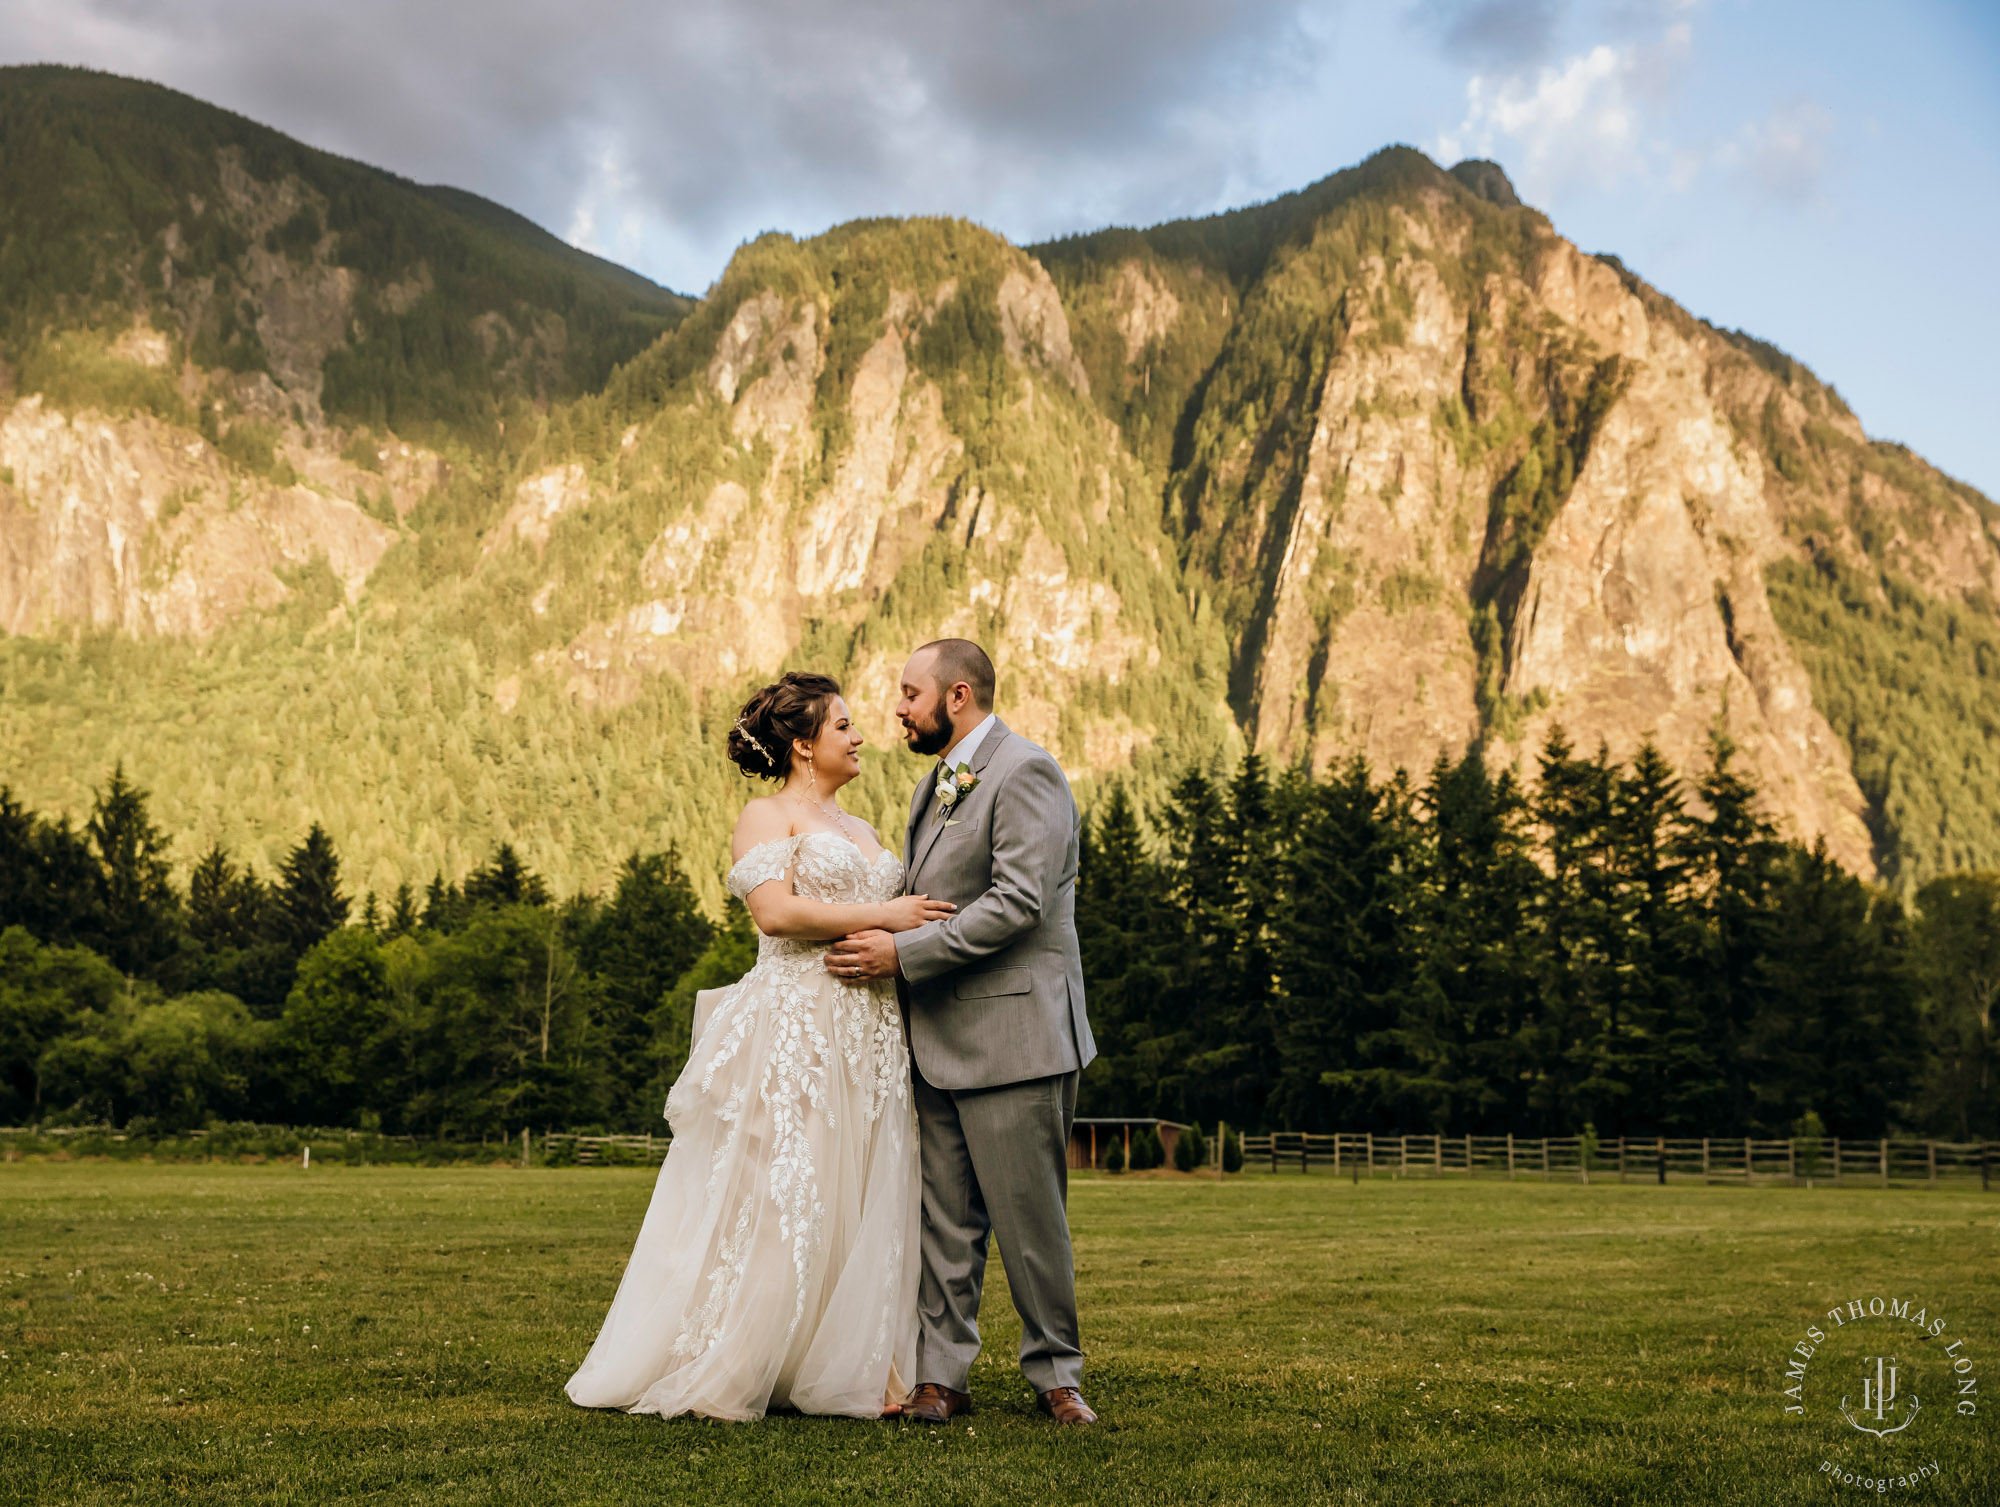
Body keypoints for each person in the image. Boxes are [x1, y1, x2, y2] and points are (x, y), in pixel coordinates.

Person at [564, 671, 953, 1421]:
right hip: (799, 1022)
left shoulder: (869, 832)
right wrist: (892, 913)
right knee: (789, 1187)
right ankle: (738, 1361)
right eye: (843, 725)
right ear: (805, 744)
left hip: (869, 1030)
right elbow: (774, 914)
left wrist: (901, 930)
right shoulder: (765, 815)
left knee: (865, 1183)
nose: (860, 735)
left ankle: (854, 1364)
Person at [826, 638, 1100, 1427]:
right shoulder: (933, 786)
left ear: (957, 697)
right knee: (946, 1221)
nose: (897, 708)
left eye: (909, 692)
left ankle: (1057, 1375)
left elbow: (1018, 902)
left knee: (1030, 1222)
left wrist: (900, 955)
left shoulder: (1026, 772)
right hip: (936, 1040)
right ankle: (942, 1377)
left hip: (1017, 1037)